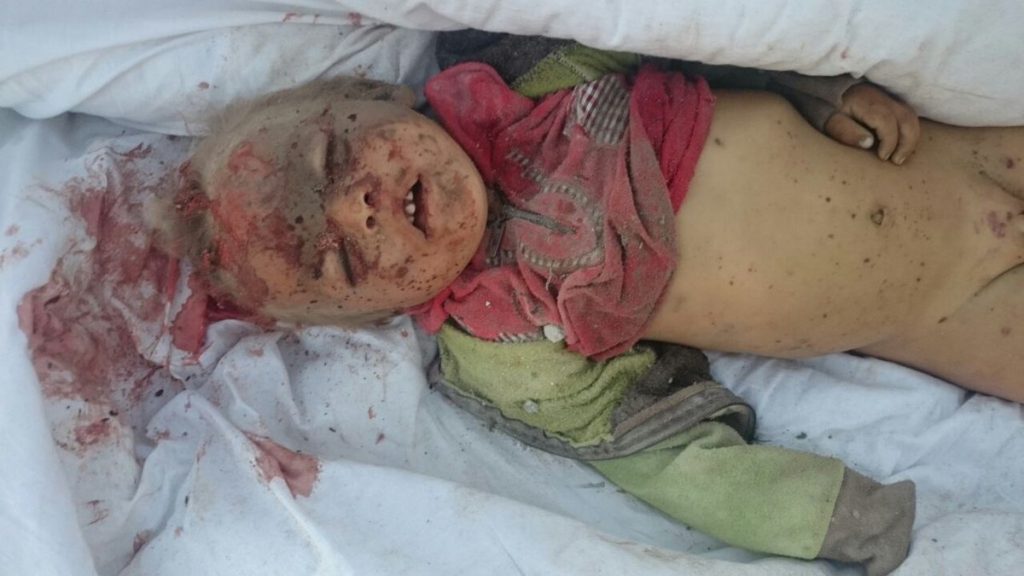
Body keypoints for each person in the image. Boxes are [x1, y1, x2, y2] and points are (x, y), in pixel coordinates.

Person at [159, 34, 1022, 575]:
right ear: (372, 314)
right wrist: (832, 517)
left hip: (935, 155)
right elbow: (659, 454)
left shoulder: (531, 70)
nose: (360, 210)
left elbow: (708, 37)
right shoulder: (500, 342)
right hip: (950, 312)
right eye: (343, 261)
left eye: (332, 158)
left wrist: (827, 90)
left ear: (376, 95)